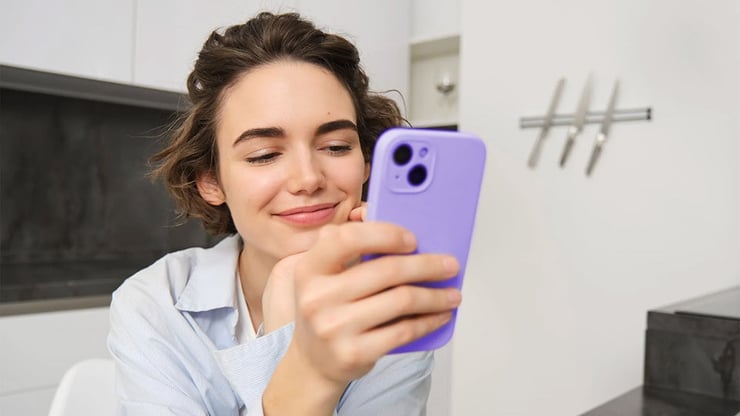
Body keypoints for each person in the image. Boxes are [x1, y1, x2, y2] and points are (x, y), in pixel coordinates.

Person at [107, 11, 462, 416]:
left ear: (367, 162)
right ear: (211, 181)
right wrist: (305, 366)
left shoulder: (390, 306)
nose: (309, 179)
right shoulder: (155, 303)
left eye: (336, 147)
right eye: (265, 155)